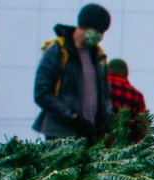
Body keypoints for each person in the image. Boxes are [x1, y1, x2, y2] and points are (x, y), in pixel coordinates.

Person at [33, 4, 112, 141]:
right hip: (61, 134)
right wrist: (72, 118)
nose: (100, 36)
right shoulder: (57, 51)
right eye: (97, 30)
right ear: (84, 26)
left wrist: (108, 123)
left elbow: (104, 95)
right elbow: (42, 93)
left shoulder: (98, 55)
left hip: (90, 134)